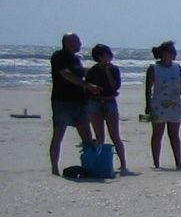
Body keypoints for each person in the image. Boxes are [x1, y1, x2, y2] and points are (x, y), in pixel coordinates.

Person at [48, 32, 99, 176]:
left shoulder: (76, 58)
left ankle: (90, 167)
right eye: (77, 42)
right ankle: (54, 168)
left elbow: (80, 72)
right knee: (58, 135)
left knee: (87, 137)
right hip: (62, 101)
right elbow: (66, 74)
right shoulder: (59, 56)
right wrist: (87, 85)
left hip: (79, 101)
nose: (80, 44)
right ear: (69, 43)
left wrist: (97, 71)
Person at [85, 44, 130, 174]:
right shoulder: (93, 70)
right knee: (99, 136)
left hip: (110, 102)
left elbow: (115, 86)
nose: (107, 57)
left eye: (108, 55)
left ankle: (123, 163)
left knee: (115, 135)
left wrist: (108, 71)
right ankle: (99, 163)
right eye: (103, 55)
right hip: (95, 103)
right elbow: (87, 87)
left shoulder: (114, 69)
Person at [145, 40, 181, 169]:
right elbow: (148, 88)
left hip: (175, 104)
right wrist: (148, 105)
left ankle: (178, 162)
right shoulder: (153, 68)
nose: (175, 54)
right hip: (158, 105)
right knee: (157, 134)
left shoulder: (177, 67)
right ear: (164, 53)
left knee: (174, 134)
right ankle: (156, 162)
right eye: (172, 52)